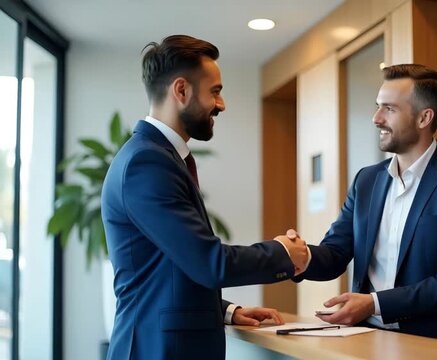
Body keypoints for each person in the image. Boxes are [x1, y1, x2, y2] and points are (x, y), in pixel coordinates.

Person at [101, 35, 308, 359]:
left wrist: (226, 310)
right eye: (215, 91)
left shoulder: (159, 157)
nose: (221, 104)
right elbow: (207, 261)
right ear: (181, 91)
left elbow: (172, 265)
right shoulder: (147, 163)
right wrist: (284, 253)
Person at [289, 64, 437, 345]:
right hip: (369, 340)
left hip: (436, 343)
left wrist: (373, 303)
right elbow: (336, 253)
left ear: (424, 118)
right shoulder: (366, 180)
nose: (376, 118)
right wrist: (297, 256)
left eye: (389, 109)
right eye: (377, 107)